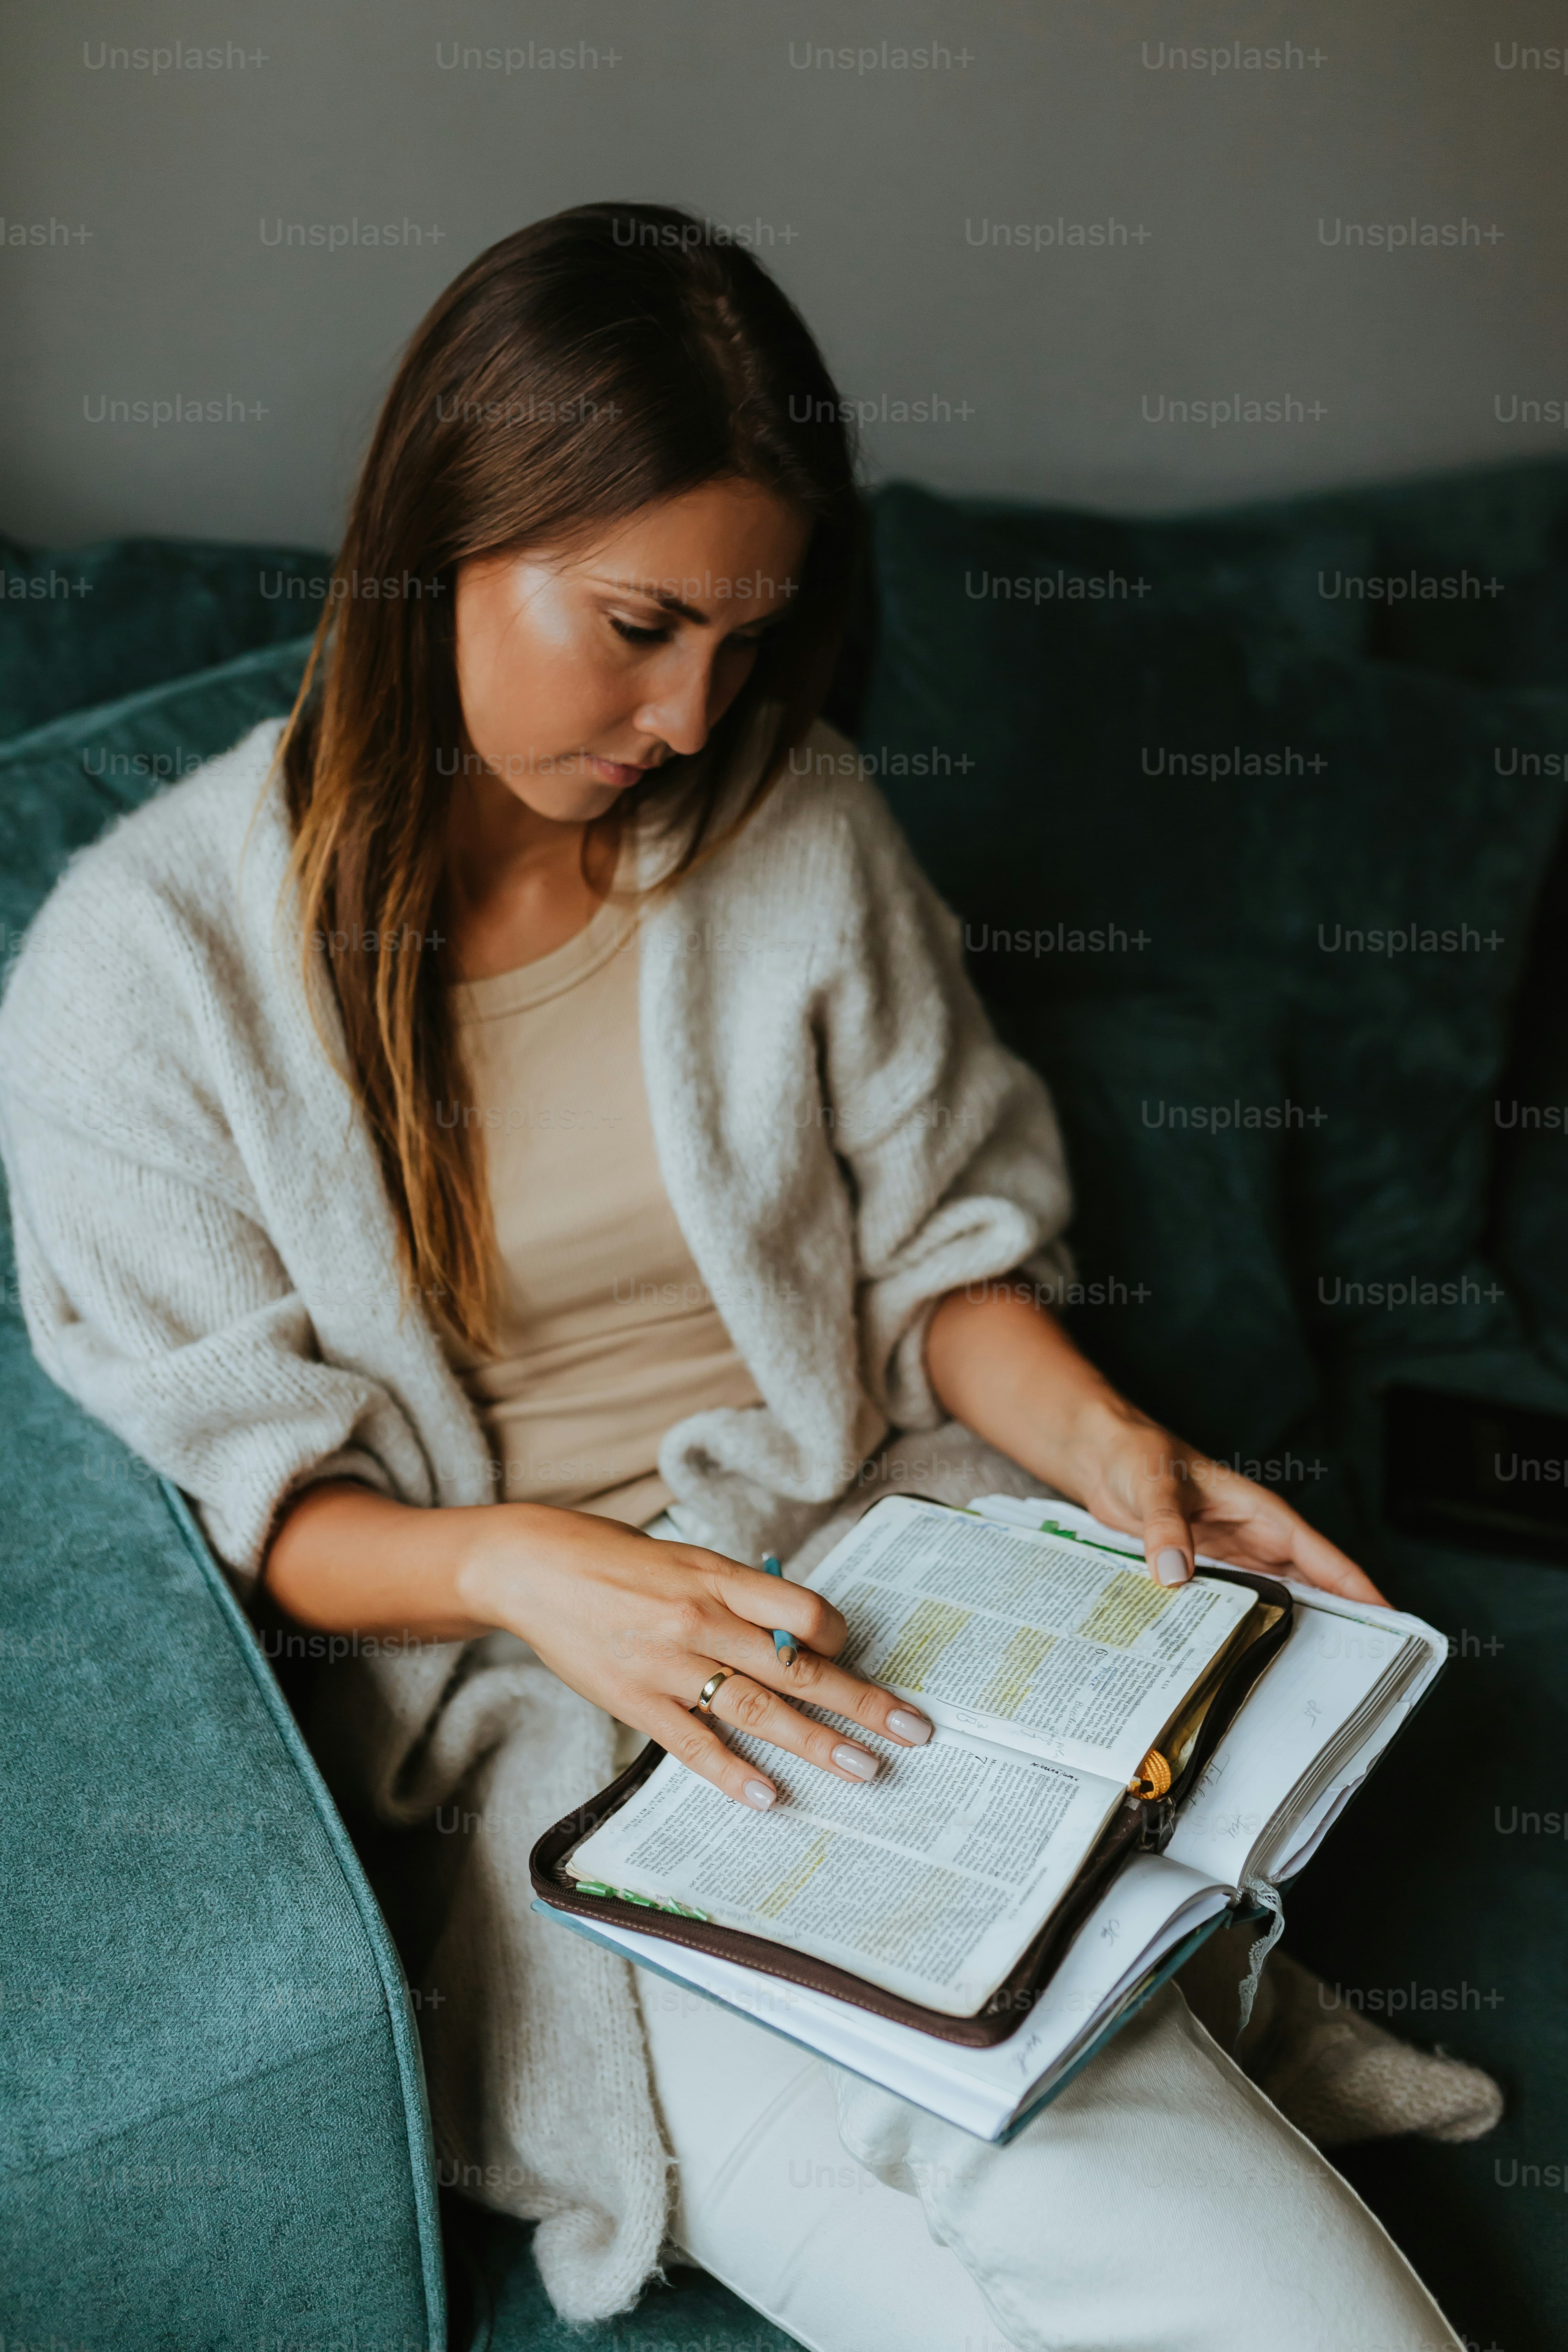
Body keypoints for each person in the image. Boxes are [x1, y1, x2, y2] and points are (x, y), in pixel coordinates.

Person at [0, 203, 1477, 2352]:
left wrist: (1111, 1441)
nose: (689, 712)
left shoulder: (792, 821)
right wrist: (524, 1572)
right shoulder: (142, 977)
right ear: (435, 533)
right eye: (634, 623)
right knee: (1006, 2175)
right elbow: (256, 1498)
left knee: (1069, 2128)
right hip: (547, 1722)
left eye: (741, 639)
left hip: (901, 1593)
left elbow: (937, 1258)